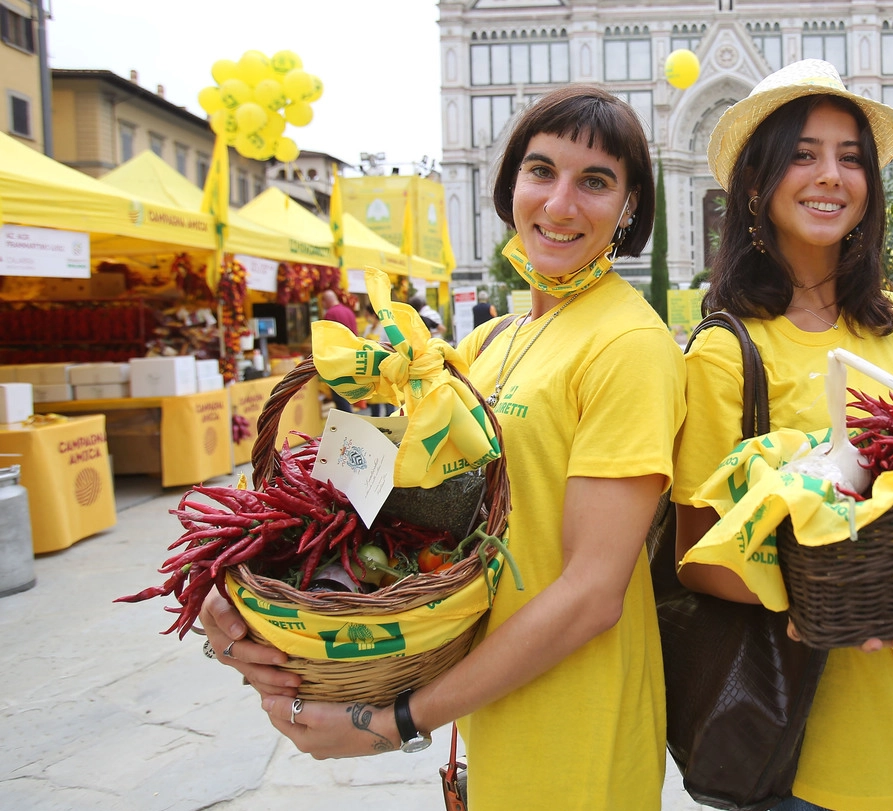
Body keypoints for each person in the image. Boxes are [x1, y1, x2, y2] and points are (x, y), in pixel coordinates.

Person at [198, 86, 685, 809]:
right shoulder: (486, 343)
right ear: (510, 183)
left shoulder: (630, 344)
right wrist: (244, 592)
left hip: (580, 719)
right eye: (541, 170)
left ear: (630, 207)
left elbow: (591, 595)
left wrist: (393, 721)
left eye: (596, 181)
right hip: (485, 698)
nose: (559, 203)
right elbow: (381, 507)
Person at [674, 60, 893, 811]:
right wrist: (823, 599)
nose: (830, 175)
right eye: (803, 153)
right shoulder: (726, 351)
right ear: (757, 183)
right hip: (794, 741)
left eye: (850, 156)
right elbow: (695, 553)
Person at [318, 289, 357, 413]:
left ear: (325, 301)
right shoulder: (348, 311)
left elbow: (328, 339)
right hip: (351, 356)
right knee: (346, 392)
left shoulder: (330, 314)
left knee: (339, 395)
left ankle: (349, 424)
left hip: (338, 359)